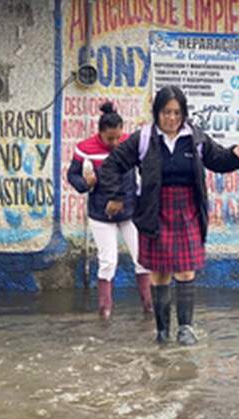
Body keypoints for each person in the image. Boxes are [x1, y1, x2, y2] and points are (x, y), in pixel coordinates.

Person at [100, 86, 239, 345]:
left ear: (184, 113)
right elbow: (113, 164)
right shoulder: (143, 139)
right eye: (166, 112)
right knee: (159, 272)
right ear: (157, 112)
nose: (171, 118)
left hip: (187, 210)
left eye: (176, 112)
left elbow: (218, 160)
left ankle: (186, 329)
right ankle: (162, 330)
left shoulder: (195, 138)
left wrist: (234, 155)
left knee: (185, 270)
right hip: (155, 210)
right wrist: (116, 195)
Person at [67, 102, 152, 320]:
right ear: (100, 133)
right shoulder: (85, 148)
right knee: (108, 262)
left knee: (143, 259)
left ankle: (149, 308)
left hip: (130, 211)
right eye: (109, 139)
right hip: (101, 214)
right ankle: (104, 312)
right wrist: (86, 184)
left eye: (117, 138)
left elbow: (142, 170)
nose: (114, 143)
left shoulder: (129, 145)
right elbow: (72, 175)